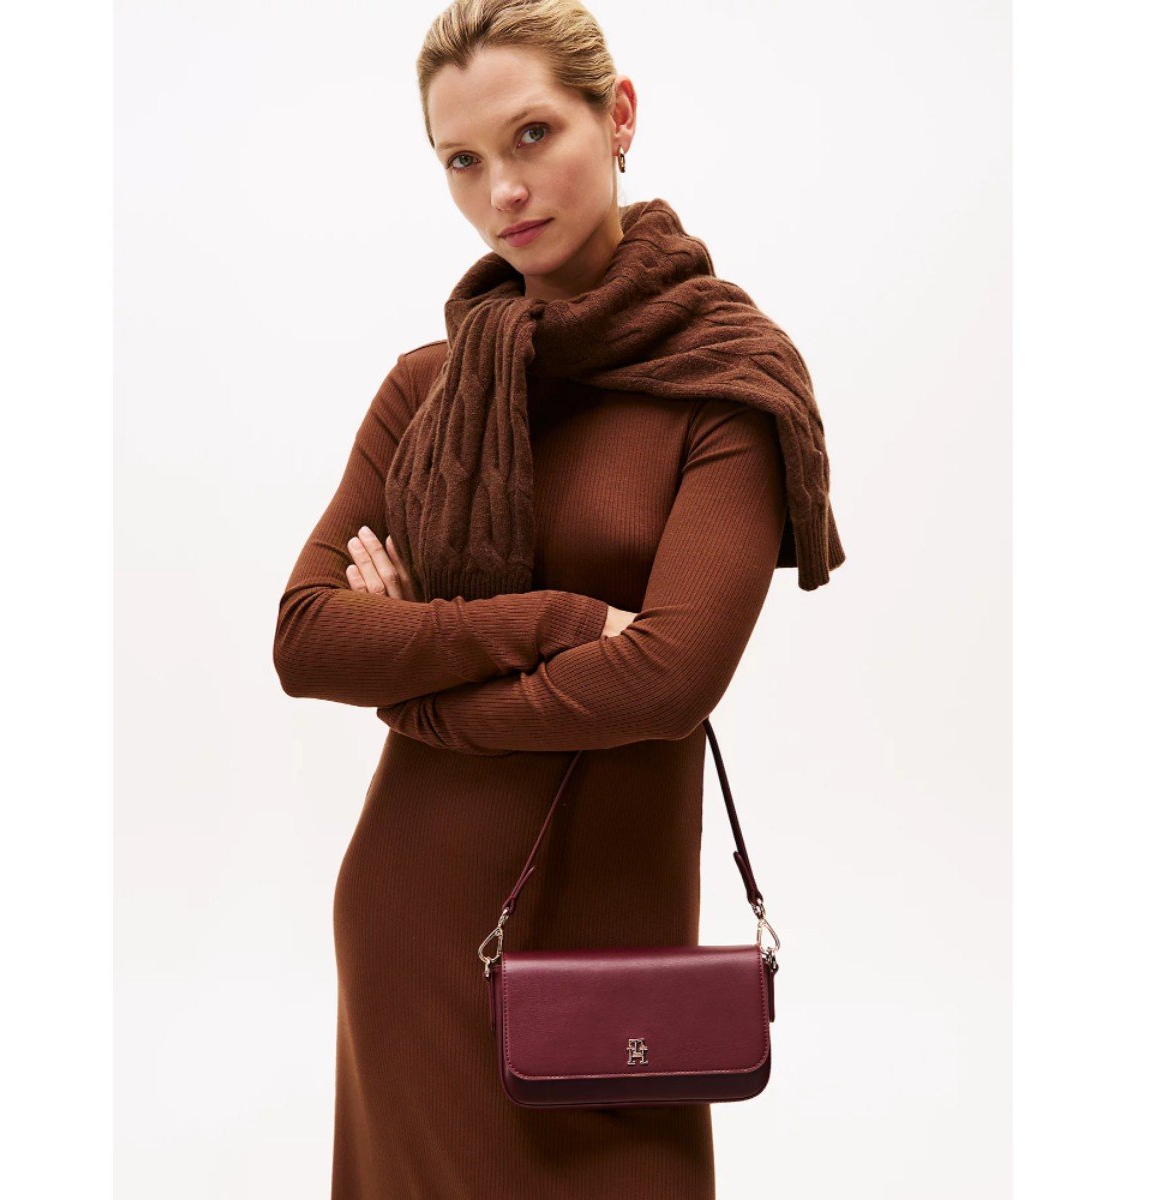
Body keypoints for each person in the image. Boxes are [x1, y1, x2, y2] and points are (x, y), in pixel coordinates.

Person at [273, 1, 844, 1195]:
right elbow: (309, 638)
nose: (503, 191)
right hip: (416, 918)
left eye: (533, 134)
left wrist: (422, 680)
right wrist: (562, 622)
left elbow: (671, 678)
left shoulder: (726, 384)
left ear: (617, 114)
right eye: (462, 160)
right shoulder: (427, 391)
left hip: (615, 951)